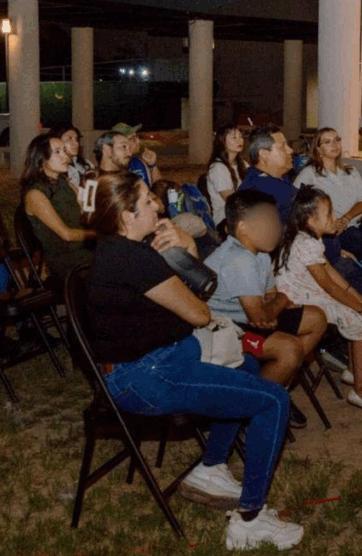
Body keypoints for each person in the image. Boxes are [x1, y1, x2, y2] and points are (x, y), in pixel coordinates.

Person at [86, 172, 304, 550]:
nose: (158, 204)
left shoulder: (126, 249)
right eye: (147, 202)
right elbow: (200, 313)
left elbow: (202, 286)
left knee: (247, 366)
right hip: (146, 376)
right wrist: (182, 255)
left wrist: (185, 250)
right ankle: (248, 521)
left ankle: (211, 468)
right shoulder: (131, 259)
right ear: (126, 217)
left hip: (159, 359)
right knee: (273, 400)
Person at [205, 190, 328, 427]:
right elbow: (260, 319)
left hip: (245, 319)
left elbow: (272, 297)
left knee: (317, 318)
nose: (276, 227)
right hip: (224, 330)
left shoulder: (259, 253)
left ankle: (275, 385)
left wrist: (278, 300)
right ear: (243, 228)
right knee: (288, 349)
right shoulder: (238, 259)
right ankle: (248, 407)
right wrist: (280, 299)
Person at [276, 185, 362, 415]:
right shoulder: (305, 243)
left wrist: (358, 296)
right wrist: (360, 308)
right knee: (360, 320)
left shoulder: (310, 238)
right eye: (328, 214)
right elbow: (327, 285)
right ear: (310, 220)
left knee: (359, 310)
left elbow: (331, 273)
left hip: (308, 290)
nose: (334, 218)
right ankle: (360, 390)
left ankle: (356, 373)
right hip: (298, 298)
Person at [295, 127, 362, 326]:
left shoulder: (350, 171)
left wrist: (347, 218)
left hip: (353, 222)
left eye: (337, 140)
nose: (334, 145)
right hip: (333, 231)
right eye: (327, 142)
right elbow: (298, 205)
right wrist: (333, 223)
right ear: (318, 149)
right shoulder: (309, 175)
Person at [21, 134, 95, 284]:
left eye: (64, 151)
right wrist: (99, 234)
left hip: (85, 250)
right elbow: (66, 234)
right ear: (41, 159)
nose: (65, 156)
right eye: (57, 152)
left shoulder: (63, 182)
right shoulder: (35, 194)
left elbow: (86, 212)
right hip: (68, 260)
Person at [238, 125, 297, 224]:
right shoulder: (257, 192)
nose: (290, 150)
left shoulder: (280, 178)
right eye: (283, 147)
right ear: (264, 154)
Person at [207, 123, 248, 227]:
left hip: (243, 214)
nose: (239, 141)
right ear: (222, 141)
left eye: (240, 137)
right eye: (234, 138)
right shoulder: (218, 168)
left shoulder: (242, 163)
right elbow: (232, 200)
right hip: (226, 220)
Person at [112, 122, 160, 186]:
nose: (138, 141)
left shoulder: (138, 162)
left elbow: (159, 187)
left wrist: (151, 165)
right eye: (133, 138)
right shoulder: (114, 167)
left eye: (137, 137)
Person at [49, 123, 94, 188]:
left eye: (76, 139)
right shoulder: (56, 169)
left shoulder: (87, 164)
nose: (75, 143)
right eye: (69, 139)